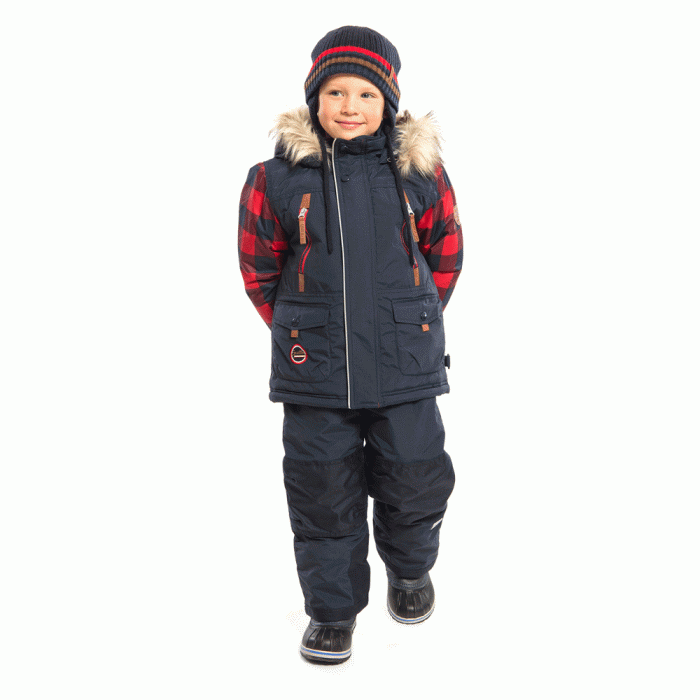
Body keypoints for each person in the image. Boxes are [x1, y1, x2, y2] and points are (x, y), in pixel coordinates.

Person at [238, 26, 463, 664]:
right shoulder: (277, 178)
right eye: (335, 92)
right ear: (315, 97)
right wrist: (301, 327)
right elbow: (259, 268)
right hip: (315, 373)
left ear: (388, 101)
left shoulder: (419, 173)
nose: (349, 106)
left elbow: (444, 254)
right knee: (322, 493)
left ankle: (411, 570)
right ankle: (332, 612)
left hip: (404, 366)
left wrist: (411, 319)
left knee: (415, 478)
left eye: (366, 94)